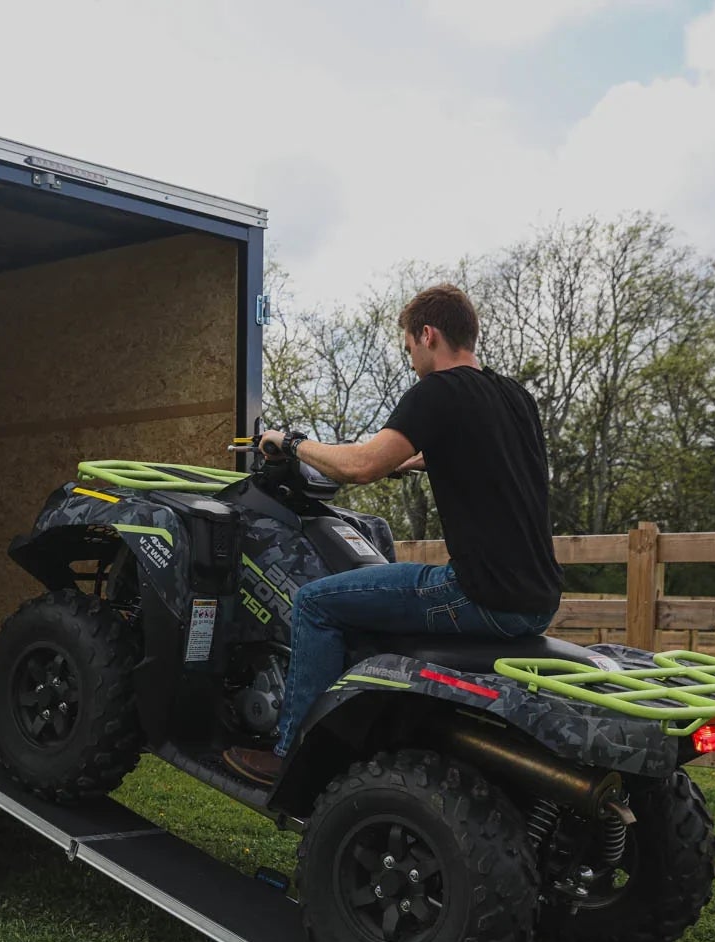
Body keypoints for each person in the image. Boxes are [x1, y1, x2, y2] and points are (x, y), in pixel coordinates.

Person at [222, 283, 564, 786]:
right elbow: (485, 456)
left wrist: (290, 442)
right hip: (539, 598)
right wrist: (414, 462)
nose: (411, 362)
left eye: (409, 349)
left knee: (315, 604)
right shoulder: (513, 396)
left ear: (427, 335)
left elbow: (359, 466)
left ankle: (291, 756)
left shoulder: (438, 393)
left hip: (478, 593)